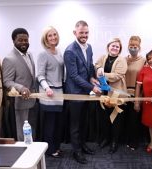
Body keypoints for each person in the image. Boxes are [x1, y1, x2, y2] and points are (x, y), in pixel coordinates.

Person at [63, 20, 102, 164]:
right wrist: (92, 87)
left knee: (84, 123)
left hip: (85, 92)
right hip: (74, 93)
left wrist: (92, 78)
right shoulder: (69, 51)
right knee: (75, 125)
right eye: (81, 33)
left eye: (86, 33)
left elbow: (89, 66)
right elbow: (73, 76)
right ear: (75, 33)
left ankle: (82, 145)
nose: (84, 35)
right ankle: (76, 151)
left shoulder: (89, 47)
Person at [2, 28, 37, 141]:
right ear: (13, 41)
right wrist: (21, 88)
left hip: (32, 100)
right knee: (23, 134)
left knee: (32, 131)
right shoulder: (9, 58)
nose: (23, 42)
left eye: (26, 40)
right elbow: (7, 81)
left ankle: (34, 155)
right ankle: (25, 156)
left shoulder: (30, 55)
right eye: (20, 40)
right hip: (20, 102)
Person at [95, 38, 128, 154]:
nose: (114, 48)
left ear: (120, 49)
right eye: (113, 46)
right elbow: (96, 66)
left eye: (117, 47)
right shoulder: (102, 58)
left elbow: (117, 75)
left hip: (116, 94)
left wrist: (102, 74)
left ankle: (115, 142)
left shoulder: (122, 60)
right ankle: (107, 139)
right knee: (105, 118)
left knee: (115, 119)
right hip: (104, 93)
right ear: (108, 47)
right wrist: (98, 69)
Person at [37, 26, 65, 158]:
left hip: (59, 93)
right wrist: (47, 88)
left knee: (58, 123)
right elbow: (40, 75)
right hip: (49, 93)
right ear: (45, 39)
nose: (53, 37)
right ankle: (49, 149)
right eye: (50, 35)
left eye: (54, 34)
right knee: (50, 124)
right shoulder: (43, 54)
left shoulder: (58, 51)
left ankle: (56, 147)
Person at [124, 36, 146, 150]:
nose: (133, 48)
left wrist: (140, 97)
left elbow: (144, 79)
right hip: (123, 93)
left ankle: (134, 142)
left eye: (135, 46)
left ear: (139, 47)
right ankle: (126, 140)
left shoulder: (143, 61)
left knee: (134, 119)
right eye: (131, 46)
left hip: (136, 93)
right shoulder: (123, 59)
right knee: (125, 119)